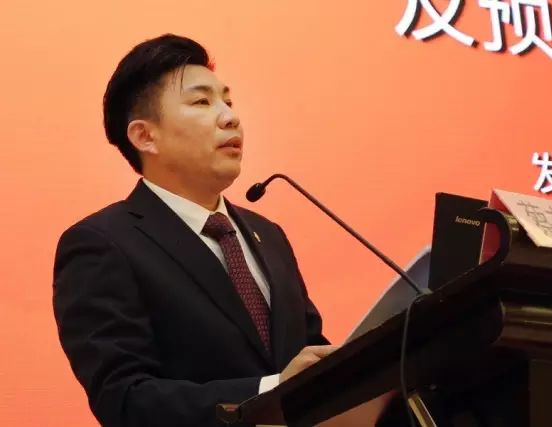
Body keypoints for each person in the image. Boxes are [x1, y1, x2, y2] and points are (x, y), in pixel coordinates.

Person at [53, 34, 338, 427]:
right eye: (202, 102)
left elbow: (309, 353)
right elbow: (124, 399)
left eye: (228, 101)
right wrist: (272, 391)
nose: (230, 117)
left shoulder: (268, 235)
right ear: (145, 136)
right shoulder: (102, 244)